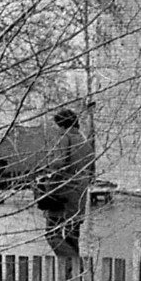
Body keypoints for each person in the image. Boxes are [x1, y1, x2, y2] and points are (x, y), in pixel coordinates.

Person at [35, 108, 95, 258]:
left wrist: (45, 180)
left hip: (62, 195)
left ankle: (73, 263)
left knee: (51, 233)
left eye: (56, 125)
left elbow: (58, 164)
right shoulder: (85, 142)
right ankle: (74, 277)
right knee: (72, 235)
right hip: (80, 195)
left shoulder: (64, 138)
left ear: (62, 124)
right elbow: (90, 168)